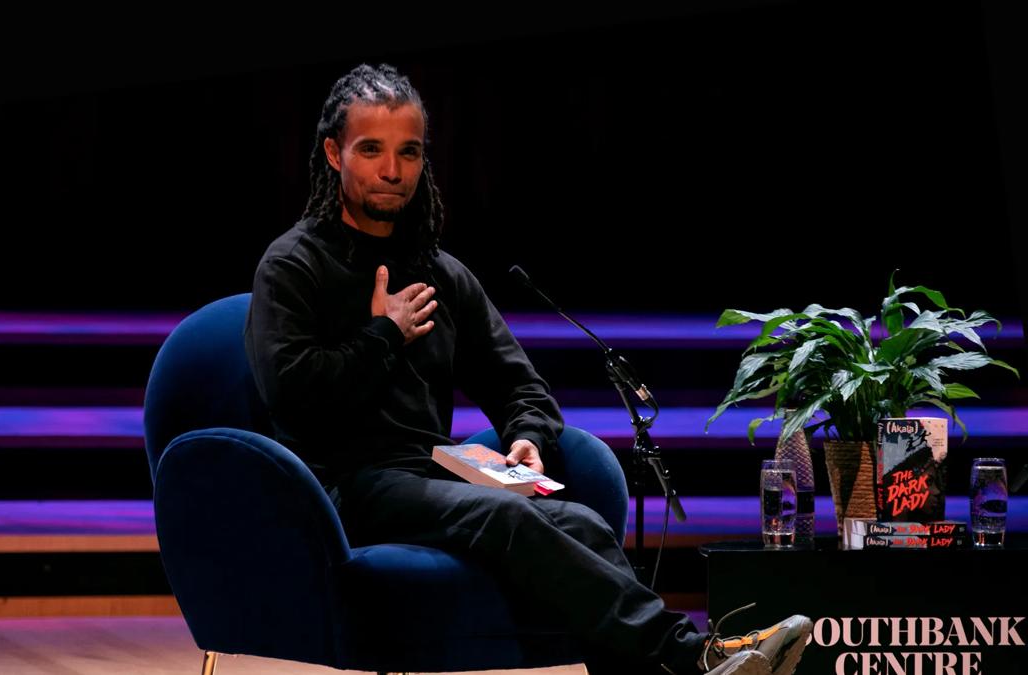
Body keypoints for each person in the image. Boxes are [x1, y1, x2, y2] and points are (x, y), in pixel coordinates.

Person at [244, 63, 810, 675]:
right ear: (334, 153)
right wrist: (385, 335)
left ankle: (692, 663)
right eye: (371, 150)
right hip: (339, 486)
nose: (392, 170)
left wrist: (527, 437)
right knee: (506, 513)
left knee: (583, 524)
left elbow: (521, 384)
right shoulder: (292, 266)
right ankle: (695, 655)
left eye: (408, 152)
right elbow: (292, 396)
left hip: (431, 471)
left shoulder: (439, 273)